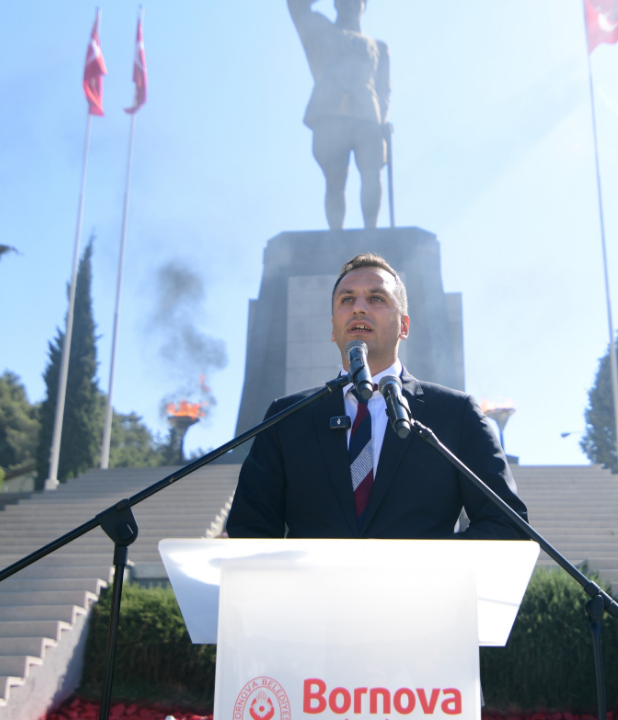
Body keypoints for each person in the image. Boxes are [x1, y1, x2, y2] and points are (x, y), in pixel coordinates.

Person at [226, 254, 527, 539]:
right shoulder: (286, 419)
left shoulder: (456, 414)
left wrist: (421, 565)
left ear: (404, 327)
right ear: (333, 329)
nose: (358, 308)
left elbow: (507, 525)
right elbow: (248, 531)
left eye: (376, 298)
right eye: (347, 300)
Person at [288, 0, 390, 231]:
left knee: (372, 175)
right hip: (330, 113)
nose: (350, 3)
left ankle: (372, 233)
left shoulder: (380, 47)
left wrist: (383, 119)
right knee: (335, 180)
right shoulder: (321, 30)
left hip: (368, 115)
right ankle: (335, 236)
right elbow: (296, 5)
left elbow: (384, 90)